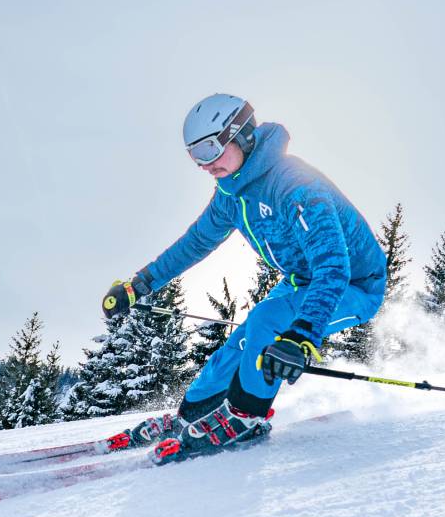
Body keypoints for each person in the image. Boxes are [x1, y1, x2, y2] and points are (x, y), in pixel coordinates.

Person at [101, 93, 388, 461]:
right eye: (194, 156)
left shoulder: (294, 185)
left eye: (208, 150)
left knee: (267, 322)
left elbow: (333, 267)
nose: (204, 165)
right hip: (302, 279)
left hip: (353, 285)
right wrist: (139, 285)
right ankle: (193, 414)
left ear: (241, 135)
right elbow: (195, 243)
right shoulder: (230, 193)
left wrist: (302, 334)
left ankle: (247, 413)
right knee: (240, 343)